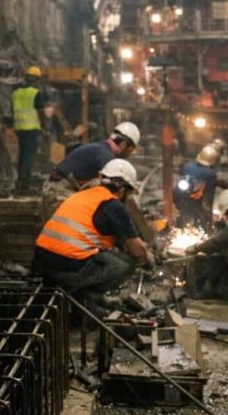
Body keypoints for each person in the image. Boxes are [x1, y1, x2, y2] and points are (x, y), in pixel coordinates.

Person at [32, 159, 152, 307]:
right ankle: (85, 297)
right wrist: (148, 260)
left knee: (107, 254)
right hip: (65, 269)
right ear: (122, 190)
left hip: (40, 263)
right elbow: (137, 251)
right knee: (126, 264)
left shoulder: (84, 194)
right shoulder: (113, 205)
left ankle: (75, 294)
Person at [41, 121, 140, 219]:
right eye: (130, 150)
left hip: (55, 189)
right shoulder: (106, 158)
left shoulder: (100, 149)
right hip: (59, 193)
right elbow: (111, 193)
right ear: (123, 145)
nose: (129, 154)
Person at [12, 65, 50, 194]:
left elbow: (13, 111)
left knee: (22, 155)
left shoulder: (16, 93)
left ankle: (20, 182)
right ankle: (25, 184)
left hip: (19, 128)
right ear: (36, 80)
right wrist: (45, 126)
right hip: (32, 128)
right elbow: (40, 112)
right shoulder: (35, 93)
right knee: (30, 155)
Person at [173, 145, 219, 228]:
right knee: (200, 221)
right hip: (198, 202)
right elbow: (209, 194)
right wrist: (208, 211)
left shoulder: (186, 167)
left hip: (182, 198)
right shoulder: (211, 174)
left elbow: (177, 186)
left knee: (184, 217)